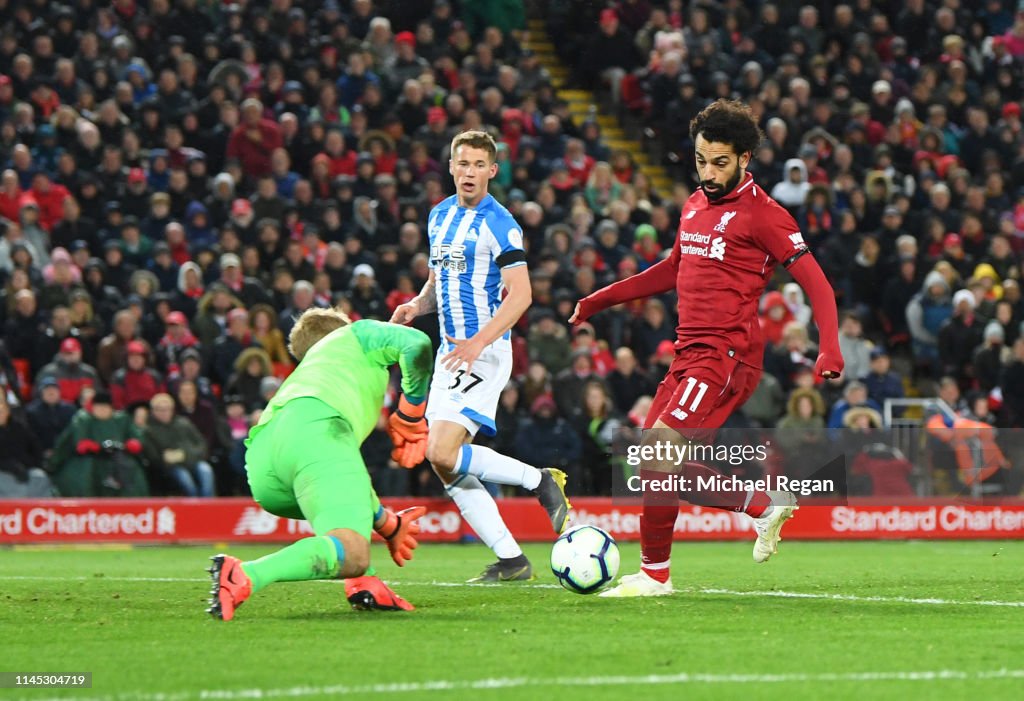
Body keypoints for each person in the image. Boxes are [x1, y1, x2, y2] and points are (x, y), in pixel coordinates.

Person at [570, 100, 844, 597]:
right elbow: (674, 269)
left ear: (744, 158)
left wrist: (829, 347)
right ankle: (657, 573)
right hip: (688, 353)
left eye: (720, 162)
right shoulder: (695, 204)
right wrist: (600, 300)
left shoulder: (765, 215)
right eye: (701, 160)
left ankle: (757, 505)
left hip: (726, 355)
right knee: (651, 462)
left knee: (657, 451)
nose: (708, 172)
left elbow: (817, 283)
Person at [390, 130, 571, 583]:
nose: (468, 172)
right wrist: (417, 305)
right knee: (443, 461)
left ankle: (540, 480)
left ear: (492, 171)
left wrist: (479, 341)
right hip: (453, 352)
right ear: (451, 166)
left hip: (483, 352)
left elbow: (522, 295)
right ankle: (511, 560)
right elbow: (439, 280)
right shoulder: (438, 216)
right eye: (461, 163)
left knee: (442, 449)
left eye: (477, 165)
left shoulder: (501, 223)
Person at [208, 308, 433, 620]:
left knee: (343, 520)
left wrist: (387, 524)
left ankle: (363, 582)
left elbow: (346, 484)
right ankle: (245, 575)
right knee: (351, 550)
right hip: (317, 430)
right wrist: (411, 412)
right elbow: (417, 343)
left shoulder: (307, 375)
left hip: (265, 463)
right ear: (341, 328)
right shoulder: (355, 334)